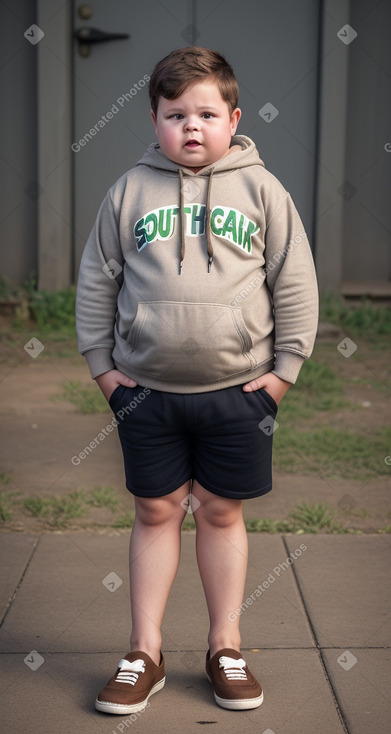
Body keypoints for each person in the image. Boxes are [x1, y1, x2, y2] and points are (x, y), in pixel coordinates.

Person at [76, 46, 318, 714]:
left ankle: (224, 646)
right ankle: (144, 653)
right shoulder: (128, 191)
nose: (190, 126)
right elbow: (96, 281)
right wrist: (104, 370)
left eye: (205, 113)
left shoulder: (262, 190)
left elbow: (294, 282)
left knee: (219, 510)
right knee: (155, 510)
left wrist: (282, 375)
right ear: (153, 121)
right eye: (174, 113)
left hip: (239, 393)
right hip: (145, 393)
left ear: (232, 117)